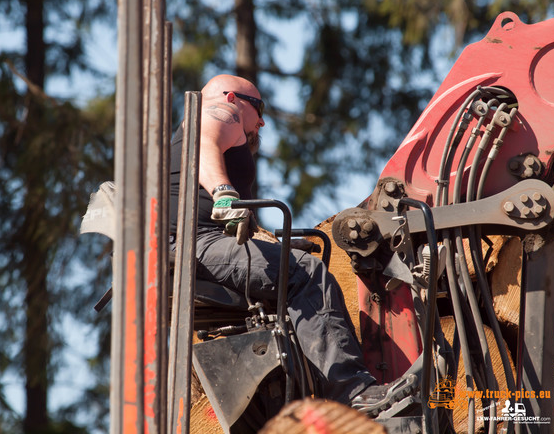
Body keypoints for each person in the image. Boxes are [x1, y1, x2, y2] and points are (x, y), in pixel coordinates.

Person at [168, 74, 417, 414]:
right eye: (259, 108)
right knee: (306, 274)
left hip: (198, 242)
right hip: (195, 243)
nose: (262, 121)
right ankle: (354, 393)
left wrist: (276, 244)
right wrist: (225, 196)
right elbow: (204, 143)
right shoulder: (218, 113)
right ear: (232, 98)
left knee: (294, 267)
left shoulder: (206, 128)